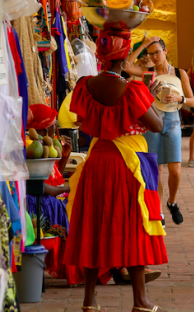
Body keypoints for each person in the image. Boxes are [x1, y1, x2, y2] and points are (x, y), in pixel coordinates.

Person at [64, 25, 167, 312]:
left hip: (96, 161)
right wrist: (151, 96)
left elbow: (76, 117)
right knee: (132, 227)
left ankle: (89, 301)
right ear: (124, 60)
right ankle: (140, 301)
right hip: (126, 165)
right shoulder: (132, 89)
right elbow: (156, 126)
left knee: (92, 227)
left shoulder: (86, 85)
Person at [124, 36, 194, 226]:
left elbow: (192, 101)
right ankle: (158, 211)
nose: (154, 56)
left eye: (157, 52)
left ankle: (172, 202)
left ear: (165, 51)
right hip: (153, 120)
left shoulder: (180, 73)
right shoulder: (148, 73)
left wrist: (180, 99)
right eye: (150, 53)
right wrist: (143, 45)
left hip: (172, 121)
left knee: (176, 171)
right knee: (156, 170)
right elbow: (126, 66)